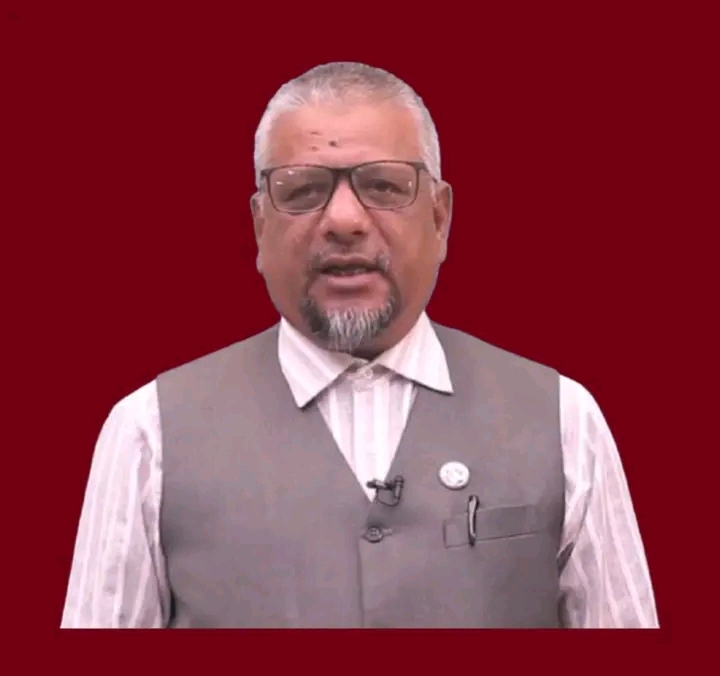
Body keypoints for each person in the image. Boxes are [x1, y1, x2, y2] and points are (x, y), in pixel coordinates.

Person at [61, 62, 658, 629]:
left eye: (383, 185)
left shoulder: (563, 418)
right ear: (260, 227)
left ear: (440, 218)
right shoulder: (148, 432)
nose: (344, 220)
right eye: (302, 190)